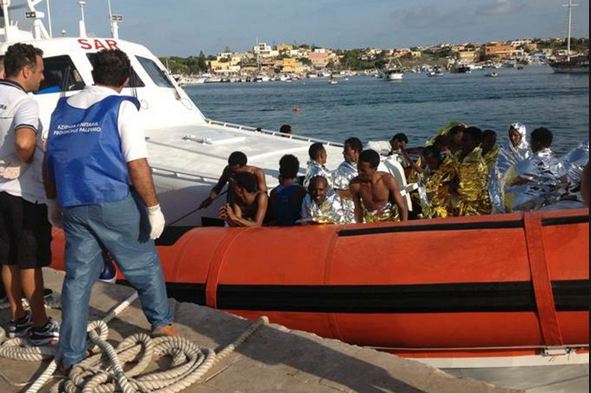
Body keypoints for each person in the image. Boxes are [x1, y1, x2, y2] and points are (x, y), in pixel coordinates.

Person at [43, 49, 176, 369]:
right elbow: (137, 164)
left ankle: (71, 354)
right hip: (112, 199)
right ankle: (161, 323)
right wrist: (153, 208)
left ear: (93, 73)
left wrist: (52, 201)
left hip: (73, 203)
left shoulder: (62, 109)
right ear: (125, 79)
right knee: (144, 262)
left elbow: (49, 162)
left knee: (77, 280)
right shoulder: (121, 108)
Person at [0, 43, 59, 345]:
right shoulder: (25, 103)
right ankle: (39, 325)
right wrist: (22, 157)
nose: (42, 76)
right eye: (40, 70)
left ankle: (17, 318)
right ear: (25, 71)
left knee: (7, 258)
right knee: (29, 261)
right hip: (23, 195)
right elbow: (24, 143)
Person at [504, 127, 567, 212]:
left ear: (537, 143)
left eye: (531, 141)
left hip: (528, 209)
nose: (530, 144)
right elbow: (565, 183)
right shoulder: (558, 163)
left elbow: (508, 183)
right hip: (552, 206)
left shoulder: (525, 165)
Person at [349, 149, 408, 223]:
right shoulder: (355, 184)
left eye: (363, 170)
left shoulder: (388, 180)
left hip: (391, 220)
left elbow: (402, 206)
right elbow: (358, 209)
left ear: (375, 169)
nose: (359, 172)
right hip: (370, 222)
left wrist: (404, 227)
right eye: (358, 168)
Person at [199, 151, 267, 209]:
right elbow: (218, 187)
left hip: (249, 208)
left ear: (243, 166)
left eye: (235, 169)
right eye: (231, 168)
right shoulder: (228, 169)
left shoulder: (257, 172)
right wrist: (210, 198)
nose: (232, 171)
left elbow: (263, 193)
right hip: (232, 206)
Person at [488, 123, 531, 213]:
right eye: (510, 135)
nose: (512, 138)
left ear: (522, 135)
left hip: (522, 187)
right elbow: (497, 168)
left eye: (516, 135)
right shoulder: (503, 150)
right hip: (505, 187)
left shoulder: (528, 151)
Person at [454, 126, 491, 216]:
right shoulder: (458, 154)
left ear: (476, 142)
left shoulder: (477, 163)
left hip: (474, 207)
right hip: (458, 202)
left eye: (466, 140)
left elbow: (476, 191)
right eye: (462, 139)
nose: (462, 143)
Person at [268, 154, 306, 226]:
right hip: (297, 227)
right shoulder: (302, 191)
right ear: (296, 171)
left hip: (280, 226)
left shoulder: (274, 193)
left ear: (280, 170)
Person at [420, 146, 458, 219]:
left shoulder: (448, 170)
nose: (430, 165)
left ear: (438, 158)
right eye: (428, 163)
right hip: (434, 204)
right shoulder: (434, 169)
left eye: (431, 162)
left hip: (446, 208)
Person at [332, 137, 362, 223]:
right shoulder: (342, 170)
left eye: (346, 151)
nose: (343, 153)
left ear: (355, 151)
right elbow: (339, 192)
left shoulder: (367, 165)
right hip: (352, 213)